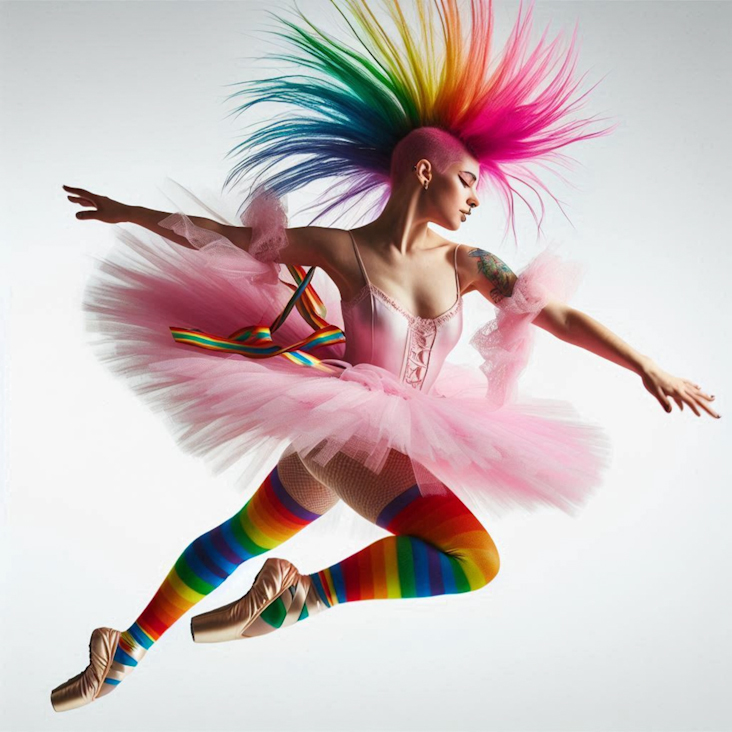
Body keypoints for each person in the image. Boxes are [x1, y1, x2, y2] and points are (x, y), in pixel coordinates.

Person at [50, 0, 720, 713]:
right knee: (473, 560)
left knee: (239, 536)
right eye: (467, 181)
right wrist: (132, 214)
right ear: (425, 171)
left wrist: (647, 364)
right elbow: (228, 238)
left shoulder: (470, 264)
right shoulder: (344, 251)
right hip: (345, 424)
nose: (474, 198)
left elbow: (552, 312)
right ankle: (297, 597)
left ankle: (121, 648)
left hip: (367, 431)